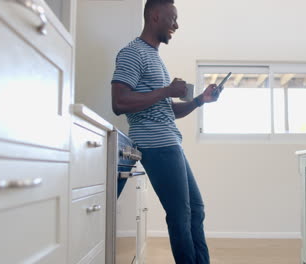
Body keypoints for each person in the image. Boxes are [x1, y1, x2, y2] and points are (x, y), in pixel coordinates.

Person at [111, 0, 222, 263]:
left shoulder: (155, 57)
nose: (176, 25)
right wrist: (166, 91)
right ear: (155, 16)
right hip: (155, 145)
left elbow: (166, 110)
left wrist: (199, 101)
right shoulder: (132, 53)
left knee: (195, 209)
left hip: (170, 142)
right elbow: (119, 103)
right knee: (180, 214)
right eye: (173, 18)